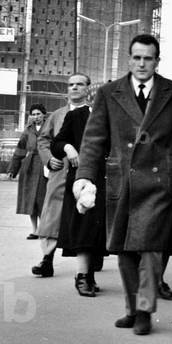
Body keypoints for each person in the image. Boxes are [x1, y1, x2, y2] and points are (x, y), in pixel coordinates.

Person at [73, 34, 172, 336]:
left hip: (159, 181)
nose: (142, 64)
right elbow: (94, 139)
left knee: (151, 249)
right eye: (137, 58)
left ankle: (144, 310)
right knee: (125, 250)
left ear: (157, 61)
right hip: (122, 179)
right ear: (129, 60)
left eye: (148, 58)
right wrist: (84, 176)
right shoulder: (109, 93)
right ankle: (132, 309)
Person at [32, 74, 92, 278]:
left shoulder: (94, 114)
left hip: (85, 174)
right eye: (71, 85)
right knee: (52, 216)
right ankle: (46, 260)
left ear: (87, 89)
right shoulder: (57, 115)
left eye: (79, 84)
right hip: (60, 173)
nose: (74, 88)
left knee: (85, 215)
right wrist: (49, 159)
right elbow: (43, 140)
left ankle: (89, 264)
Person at [48, 87, 106, 296]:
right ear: (90, 99)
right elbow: (56, 143)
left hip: (109, 179)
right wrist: (68, 147)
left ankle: (89, 275)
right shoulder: (77, 116)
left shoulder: (116, 119)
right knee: (84, 226)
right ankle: (82, 276)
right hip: (83, 179)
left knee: (99, 229)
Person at [9, 104, 48, 238]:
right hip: (30, 166)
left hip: (45, 165)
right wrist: (13, 169)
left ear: (44, 114)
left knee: (42, 198)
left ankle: (44, 229)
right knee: (31, 198)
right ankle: (34, 230)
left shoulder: (50, 128)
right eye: (33, 114)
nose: (36, 117)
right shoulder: (28, 131)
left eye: (38, 114)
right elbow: (20, 150)